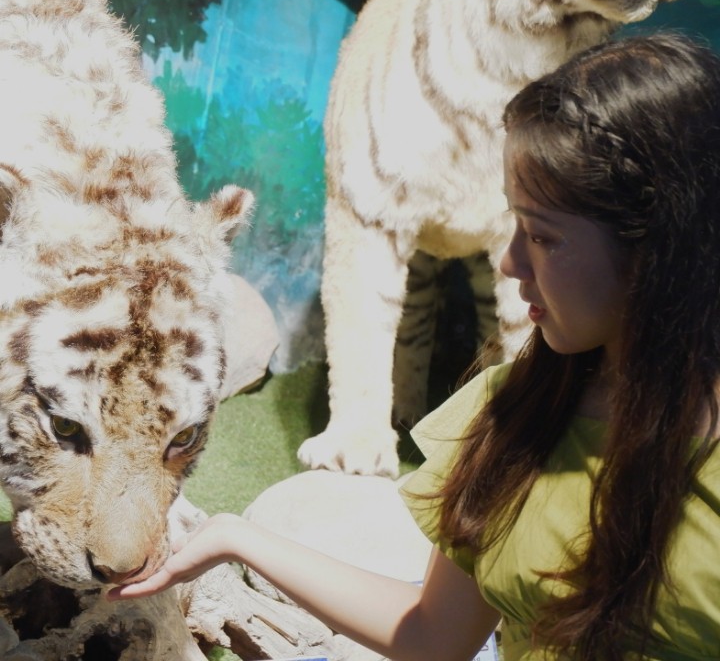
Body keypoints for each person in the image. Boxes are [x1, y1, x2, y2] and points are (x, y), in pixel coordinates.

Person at [109, 33, 720, 661]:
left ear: (661, 247)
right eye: (513, 223)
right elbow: (434, 633)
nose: (509, 262)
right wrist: (234, 537)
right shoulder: (518, 408)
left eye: (543, 236)